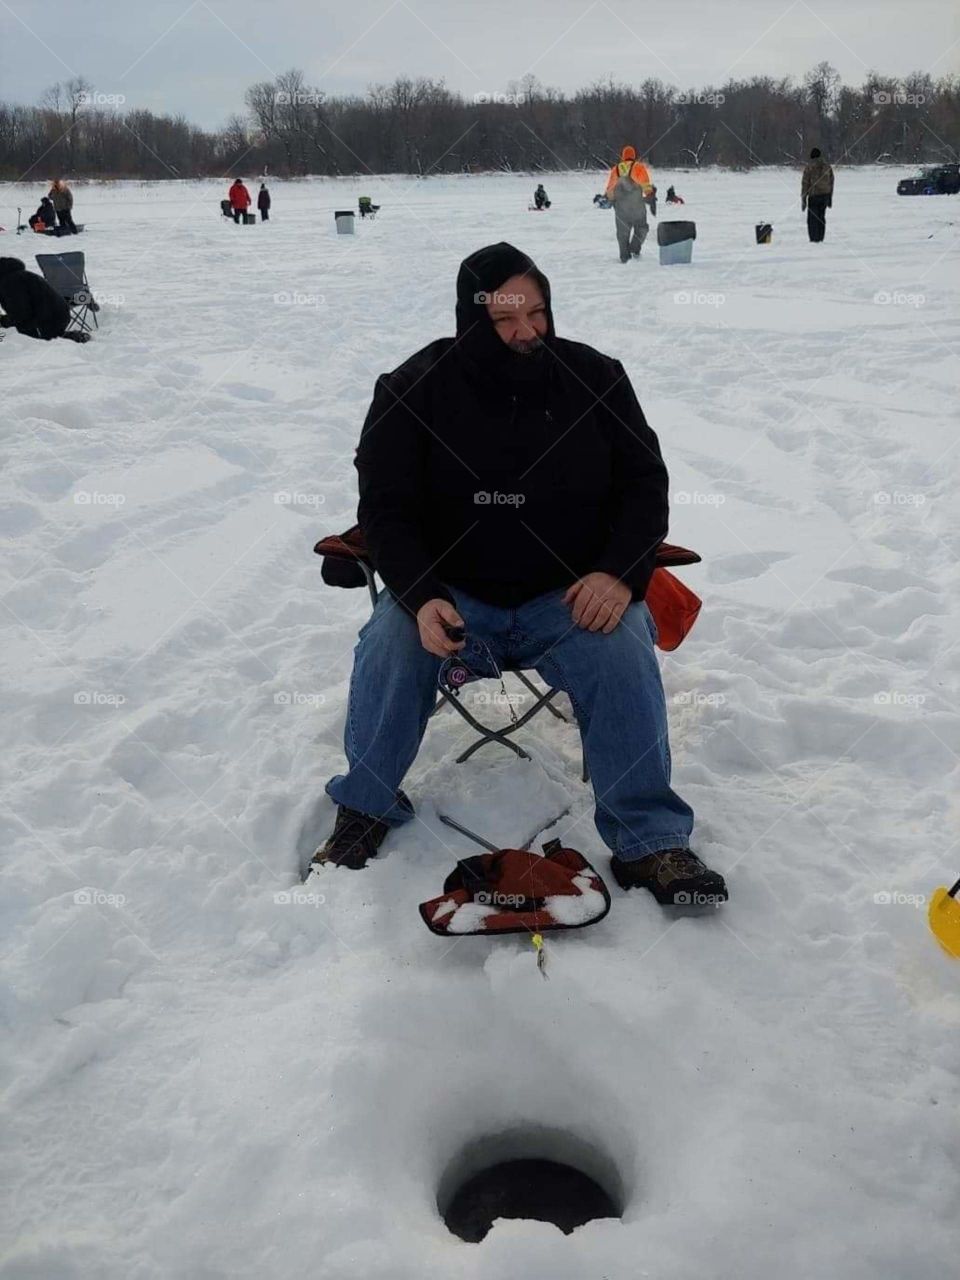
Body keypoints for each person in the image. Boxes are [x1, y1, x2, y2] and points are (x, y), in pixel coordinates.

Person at [311, 240, 728, 908]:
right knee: (388, 640)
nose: (526, 331)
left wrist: (619, 576)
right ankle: (365, 806)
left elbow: (645, 489)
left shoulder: (596, 379)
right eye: (506, 319)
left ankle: (650, 841)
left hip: (565, 598)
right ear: (471, 319)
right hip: (454, 601)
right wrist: (420, 598)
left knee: (622, 644)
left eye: (536, 312)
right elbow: (386, 512)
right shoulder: (411, 390)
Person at [0, 257, 86, 341]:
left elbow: (21, 313)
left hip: (48, 319)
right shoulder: (14, 276)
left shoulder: (10, 282)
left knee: (28, 340)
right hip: (56, 314)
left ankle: (70, 338)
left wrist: (3, 321)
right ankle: (67, 337)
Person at [604, 146, 653, 262]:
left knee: (622, 234)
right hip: (637, 206)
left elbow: (610, 189)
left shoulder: (615, 170)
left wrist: (609, 200)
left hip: (621, 208)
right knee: (642, 228)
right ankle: (634, 248)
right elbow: (645, 184)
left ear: (623, 156)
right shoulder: (638, 167)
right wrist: (649, 194)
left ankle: (624, 257)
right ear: (634, 156)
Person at [801, 148, 834, 243]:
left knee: (812, 219)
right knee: (821, 218)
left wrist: (803, 199)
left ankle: (813, 239)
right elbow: (831, 182)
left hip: (814, 196)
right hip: (825, 196)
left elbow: (805, 183)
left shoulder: (809, 167)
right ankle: (820, 238)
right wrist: (830, 197)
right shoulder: (827, 167)